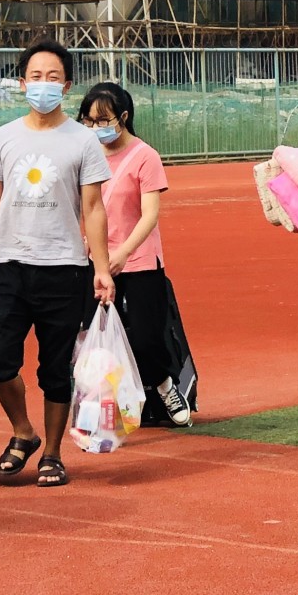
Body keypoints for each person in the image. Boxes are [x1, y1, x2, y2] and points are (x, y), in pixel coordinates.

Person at [0, 40, 115, 488]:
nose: (43, 85)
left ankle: (52, 453)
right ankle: (22, 432)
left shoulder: (83, 140)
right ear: (21, 82)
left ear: (66, 85)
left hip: (65, 266)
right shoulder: (3, 137)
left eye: (53, 78)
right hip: (10, 265)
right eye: (35, 77)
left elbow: (95, 208)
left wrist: (101, 269)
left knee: (55, 367)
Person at [78, 82, 190, 428]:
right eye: (90, 121)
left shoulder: (145, 156)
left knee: (146, 336)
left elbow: (149, 214)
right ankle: (101, 404)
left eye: (104, 120)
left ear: (123, 117)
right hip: (93, 261)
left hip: (139, 262)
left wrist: (124, 252)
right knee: (88, 335)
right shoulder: (84, 155)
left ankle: (165, 386)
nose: (97, 128)